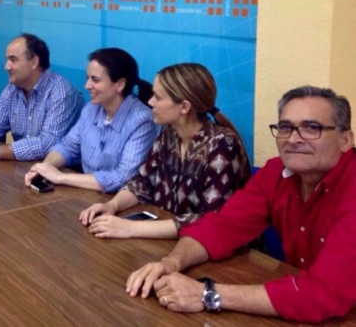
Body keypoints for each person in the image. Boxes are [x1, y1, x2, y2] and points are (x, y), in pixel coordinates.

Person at [126, 86, 356, 323]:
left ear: (345, 140)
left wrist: (207, 294)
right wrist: (171, 263)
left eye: (311, 128)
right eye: (285, 127)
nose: (293, 139)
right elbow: (223, 226)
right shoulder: (276, 171)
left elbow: (321, 293)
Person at [79, 63, 250, 238]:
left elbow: (210, 220)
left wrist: (131, 228)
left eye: (158, 97)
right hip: (168, 238)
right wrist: (112, 206)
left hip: (211, 247)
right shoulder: (169, 133)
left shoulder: (223, 144)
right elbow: (143, 183)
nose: (150, 102)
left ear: (184, 107)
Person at [24, 48, 157, 193]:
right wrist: (44, 168)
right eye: (87, 78)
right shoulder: (91, 109)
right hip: (88, 194)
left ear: (120, 84)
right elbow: (67, 147)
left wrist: (61, 177)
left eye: (95, 80)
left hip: (118, 201)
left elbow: (124, 178)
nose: (87, 85)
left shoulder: (142, 121)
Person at [0, 33, 84, 161]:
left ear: (34, 62)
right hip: (25, 165)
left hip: (63, 169)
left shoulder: (60, 92)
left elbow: (47, 145)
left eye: (13, 60)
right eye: (7, 60)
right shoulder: (12, 89)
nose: (6, 66)